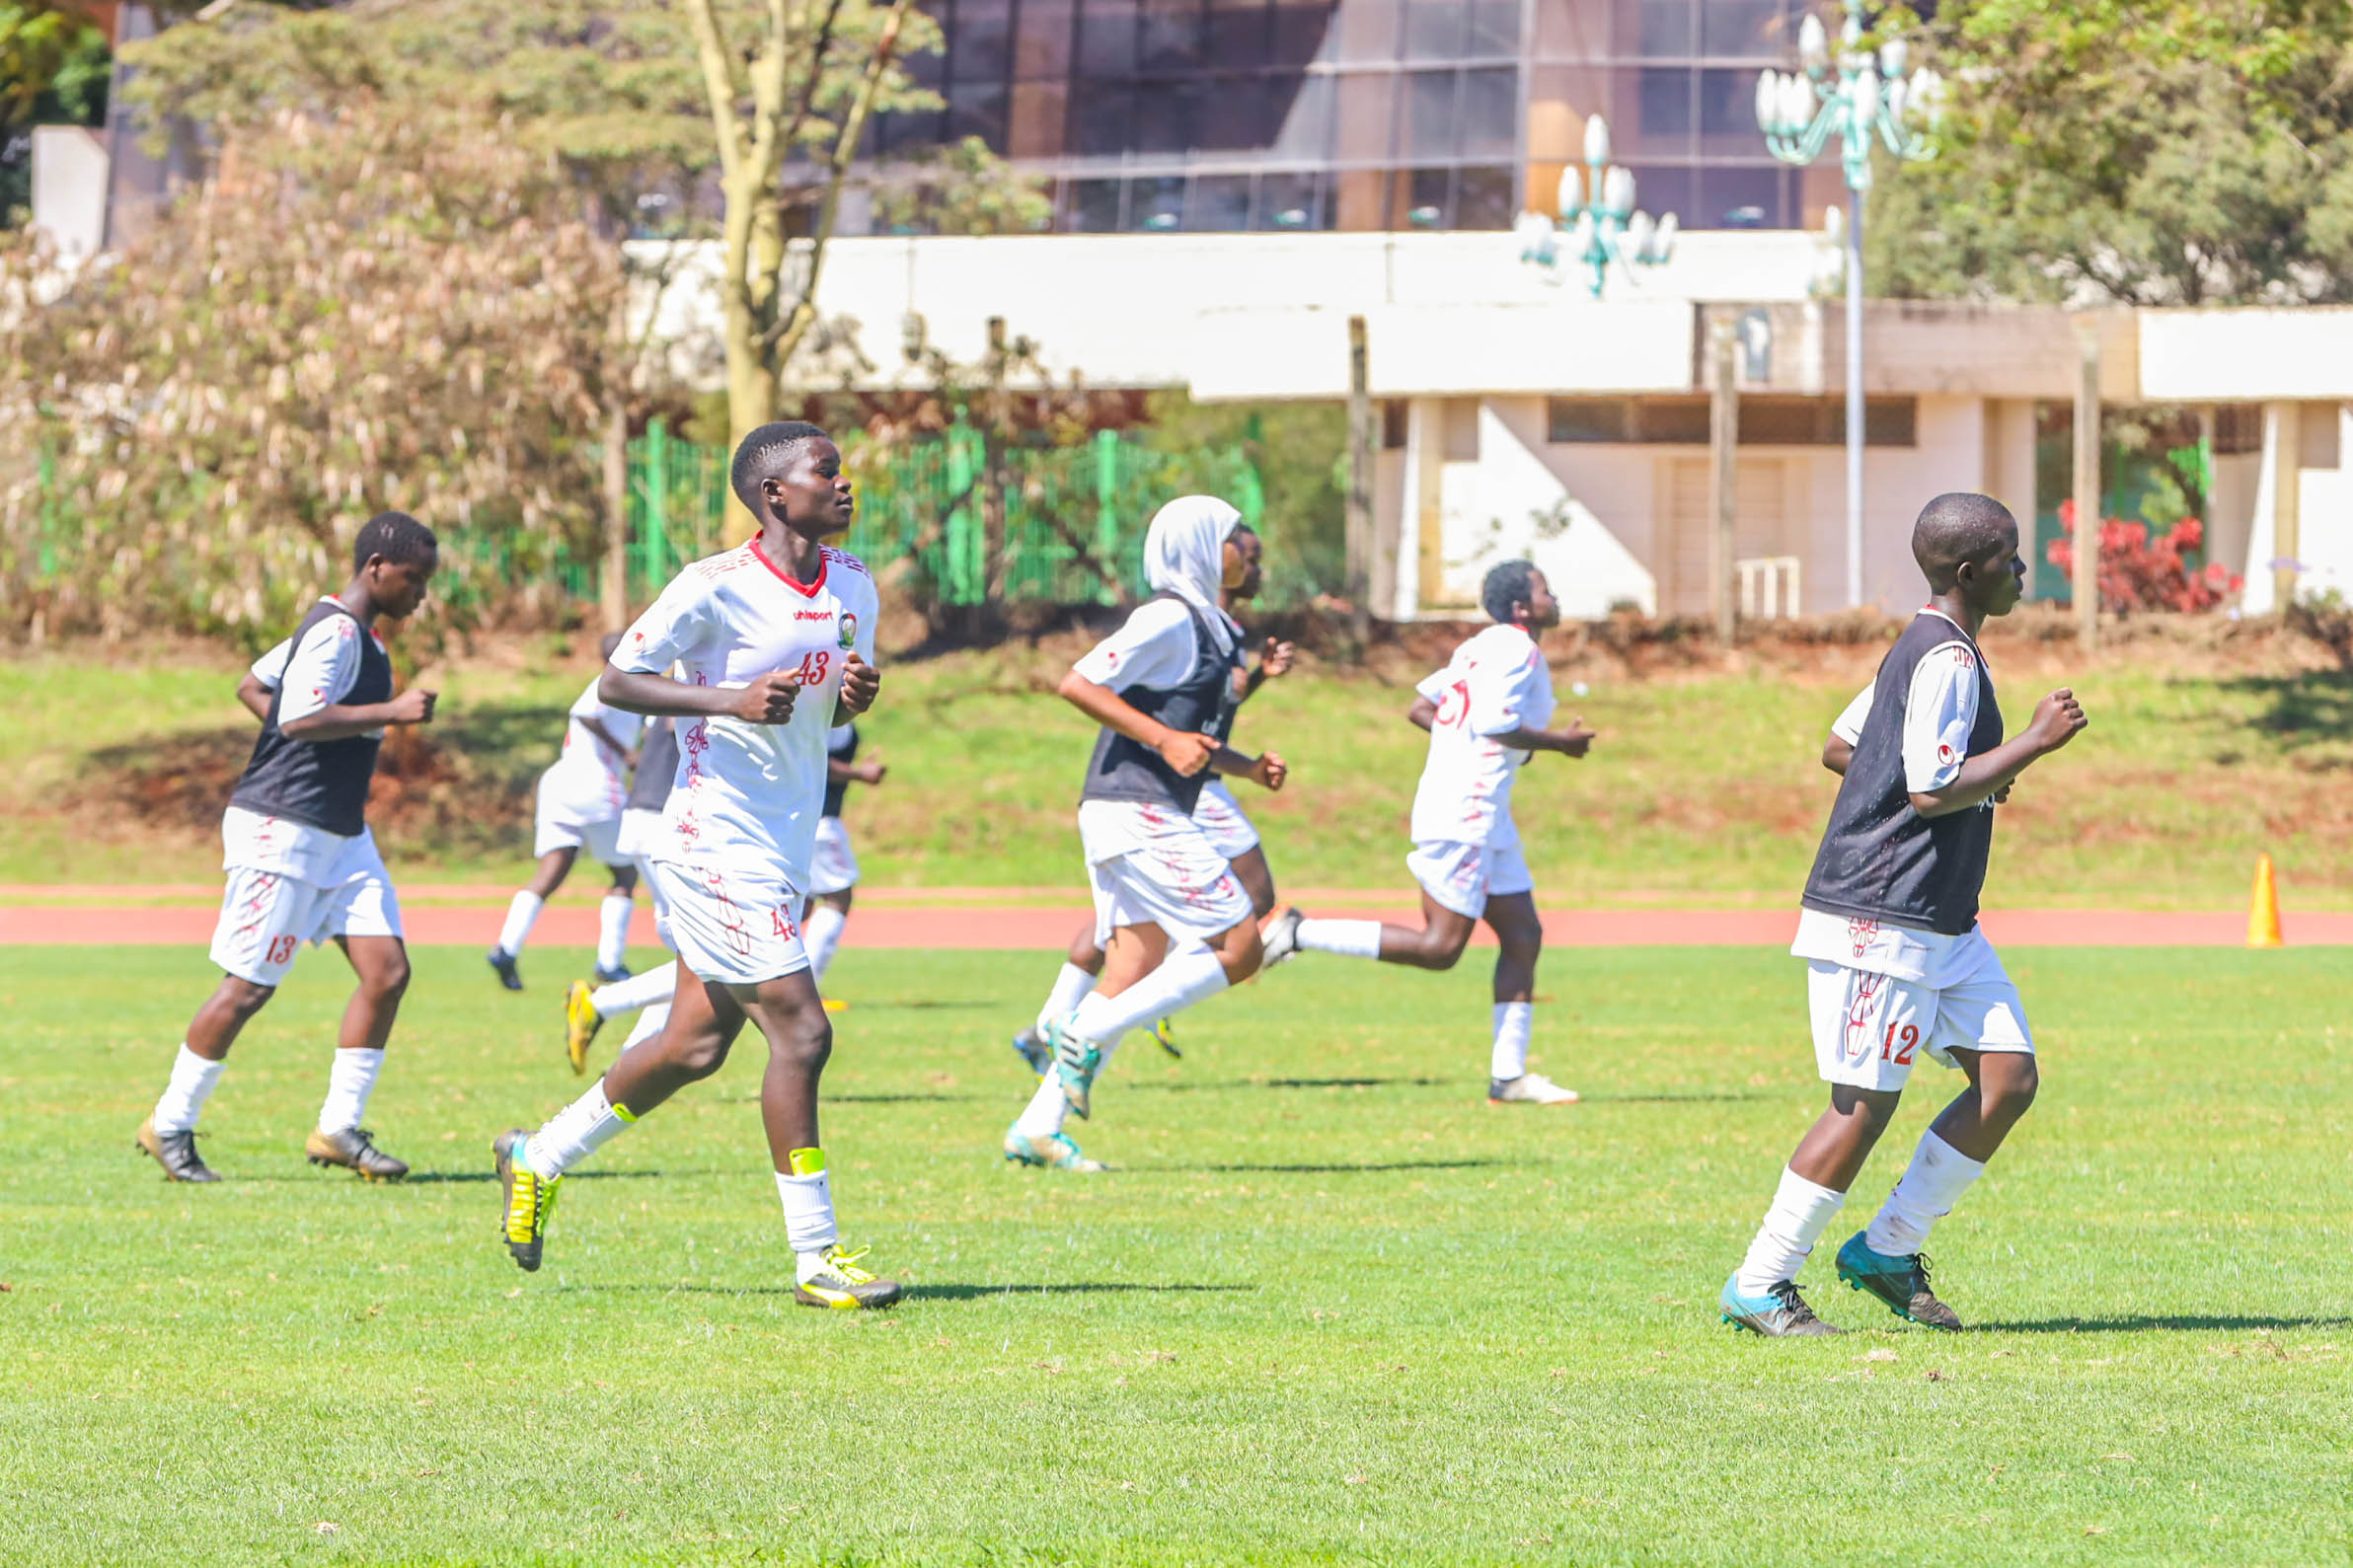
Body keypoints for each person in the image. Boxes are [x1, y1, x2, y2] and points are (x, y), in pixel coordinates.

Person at [493, 420, 901, 1309]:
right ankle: (817, 1256)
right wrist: (729, 698)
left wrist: (852, 697)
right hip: (709, 838)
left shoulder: (855, 584)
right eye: (824, 471)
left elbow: (825, 705)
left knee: (693, 1044)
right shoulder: (711, 587)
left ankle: (538, 1155)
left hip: (781, 841)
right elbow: (618, 681)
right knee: (802, 1030)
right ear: (773, 493)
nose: (843, 484)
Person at [1718, 491, 2087, 1337]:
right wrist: (2030, 742)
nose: (2022, 570)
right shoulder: (1945, 659)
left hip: (1945, 923)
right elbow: (1925, 789)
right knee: (1860, 1106)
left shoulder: (1929, 646)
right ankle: (1760, 1280)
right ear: (1970, 572)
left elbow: (1844, 745)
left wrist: (1979, 769)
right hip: (1882, 920)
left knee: (2008, 1078)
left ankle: (1887, 1248)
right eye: (2010, 557)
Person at [138, 512, 440, 1184]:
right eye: (414, 579)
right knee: (248, 986)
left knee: (387, 971)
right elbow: (299, 715)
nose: (421, 593)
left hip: (341, 835)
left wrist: (296, 736)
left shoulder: (353, 633)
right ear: (376, 569)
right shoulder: (335, 633)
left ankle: (337, 1128)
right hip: (285, 829)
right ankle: (169, 1124)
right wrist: (388, 714)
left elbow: (257, 686)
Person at [1001, 496, 1287, 1173]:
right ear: (1201, 545)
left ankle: (1037, 1125)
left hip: (1144, 806)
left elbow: (1190, 731)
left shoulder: (1219, 629)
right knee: (1241, 943)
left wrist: (1245, 766)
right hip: (1133, 807)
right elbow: (1078, 682)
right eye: (1237, 535)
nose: (1252, 546)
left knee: (1136, 958)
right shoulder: (1168, 616)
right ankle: (1084, 1030)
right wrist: (1161, 736)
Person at [1258, 560, 1593, 1106]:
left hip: (1486, 813)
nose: (1553, 594)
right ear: (1521, 608)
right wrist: (1559, 743)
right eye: (1543, 588)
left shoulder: (1479, 647)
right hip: (1467, 812)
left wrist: (1469, 746)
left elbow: (1423, 708)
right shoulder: (1518, 649)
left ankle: (1508, 1077)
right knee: (1440, 948)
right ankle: (1299, 931)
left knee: (1523, 935)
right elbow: (1492, 724)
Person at [487, 636, 644, 991]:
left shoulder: (628, 688)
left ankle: (506, 949)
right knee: (625, 874)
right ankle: (609, 962)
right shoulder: (615, 681)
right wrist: (625, 753)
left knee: (552, 870)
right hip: (595, 783)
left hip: (560, 782)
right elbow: (585, 713)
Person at [563, 715, 682, 1074]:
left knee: (693, 955)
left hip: (650, 820)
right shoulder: (697, 679)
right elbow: (677, 722)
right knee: (704, 958)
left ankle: (629, 1062)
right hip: (663, 823)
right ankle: (600, 1003)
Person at [801, 721, 885, 998]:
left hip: (794, 819)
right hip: (820, 822)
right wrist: (860, 773)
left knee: (802, 905)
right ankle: (805, 987)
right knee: (838, 898)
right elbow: (817, 761)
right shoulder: (832, 712)